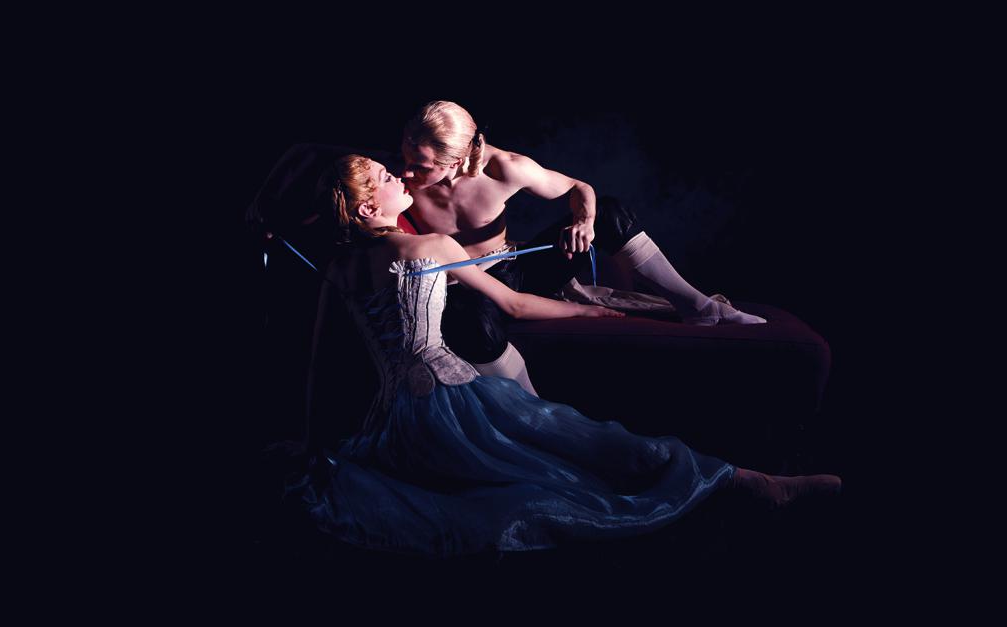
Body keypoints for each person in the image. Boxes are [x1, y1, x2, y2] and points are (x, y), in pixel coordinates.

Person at [281, 155, 841, 558]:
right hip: (456, 401)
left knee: (566, 456)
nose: (397, 175)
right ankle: (756, 485)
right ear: (365, 205)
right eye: (384, 176)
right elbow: (515, 305)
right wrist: (593, 313)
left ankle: (750, 483)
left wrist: (310, 440)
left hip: (391, 423)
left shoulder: (337, 270)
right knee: (595, 449)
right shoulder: (430, 246)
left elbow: (315, 363)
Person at [400, 101, 766, 398]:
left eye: (420, 167)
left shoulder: (506, 168)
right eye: (406, 160)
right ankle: (534, 413)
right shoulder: (399, 182)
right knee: (468, 319)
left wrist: (585, 221)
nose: (407, 173)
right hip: (465, 287)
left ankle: (699, 307)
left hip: (513, 269)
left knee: (609, 213)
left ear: (456, 161)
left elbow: (579, 188)